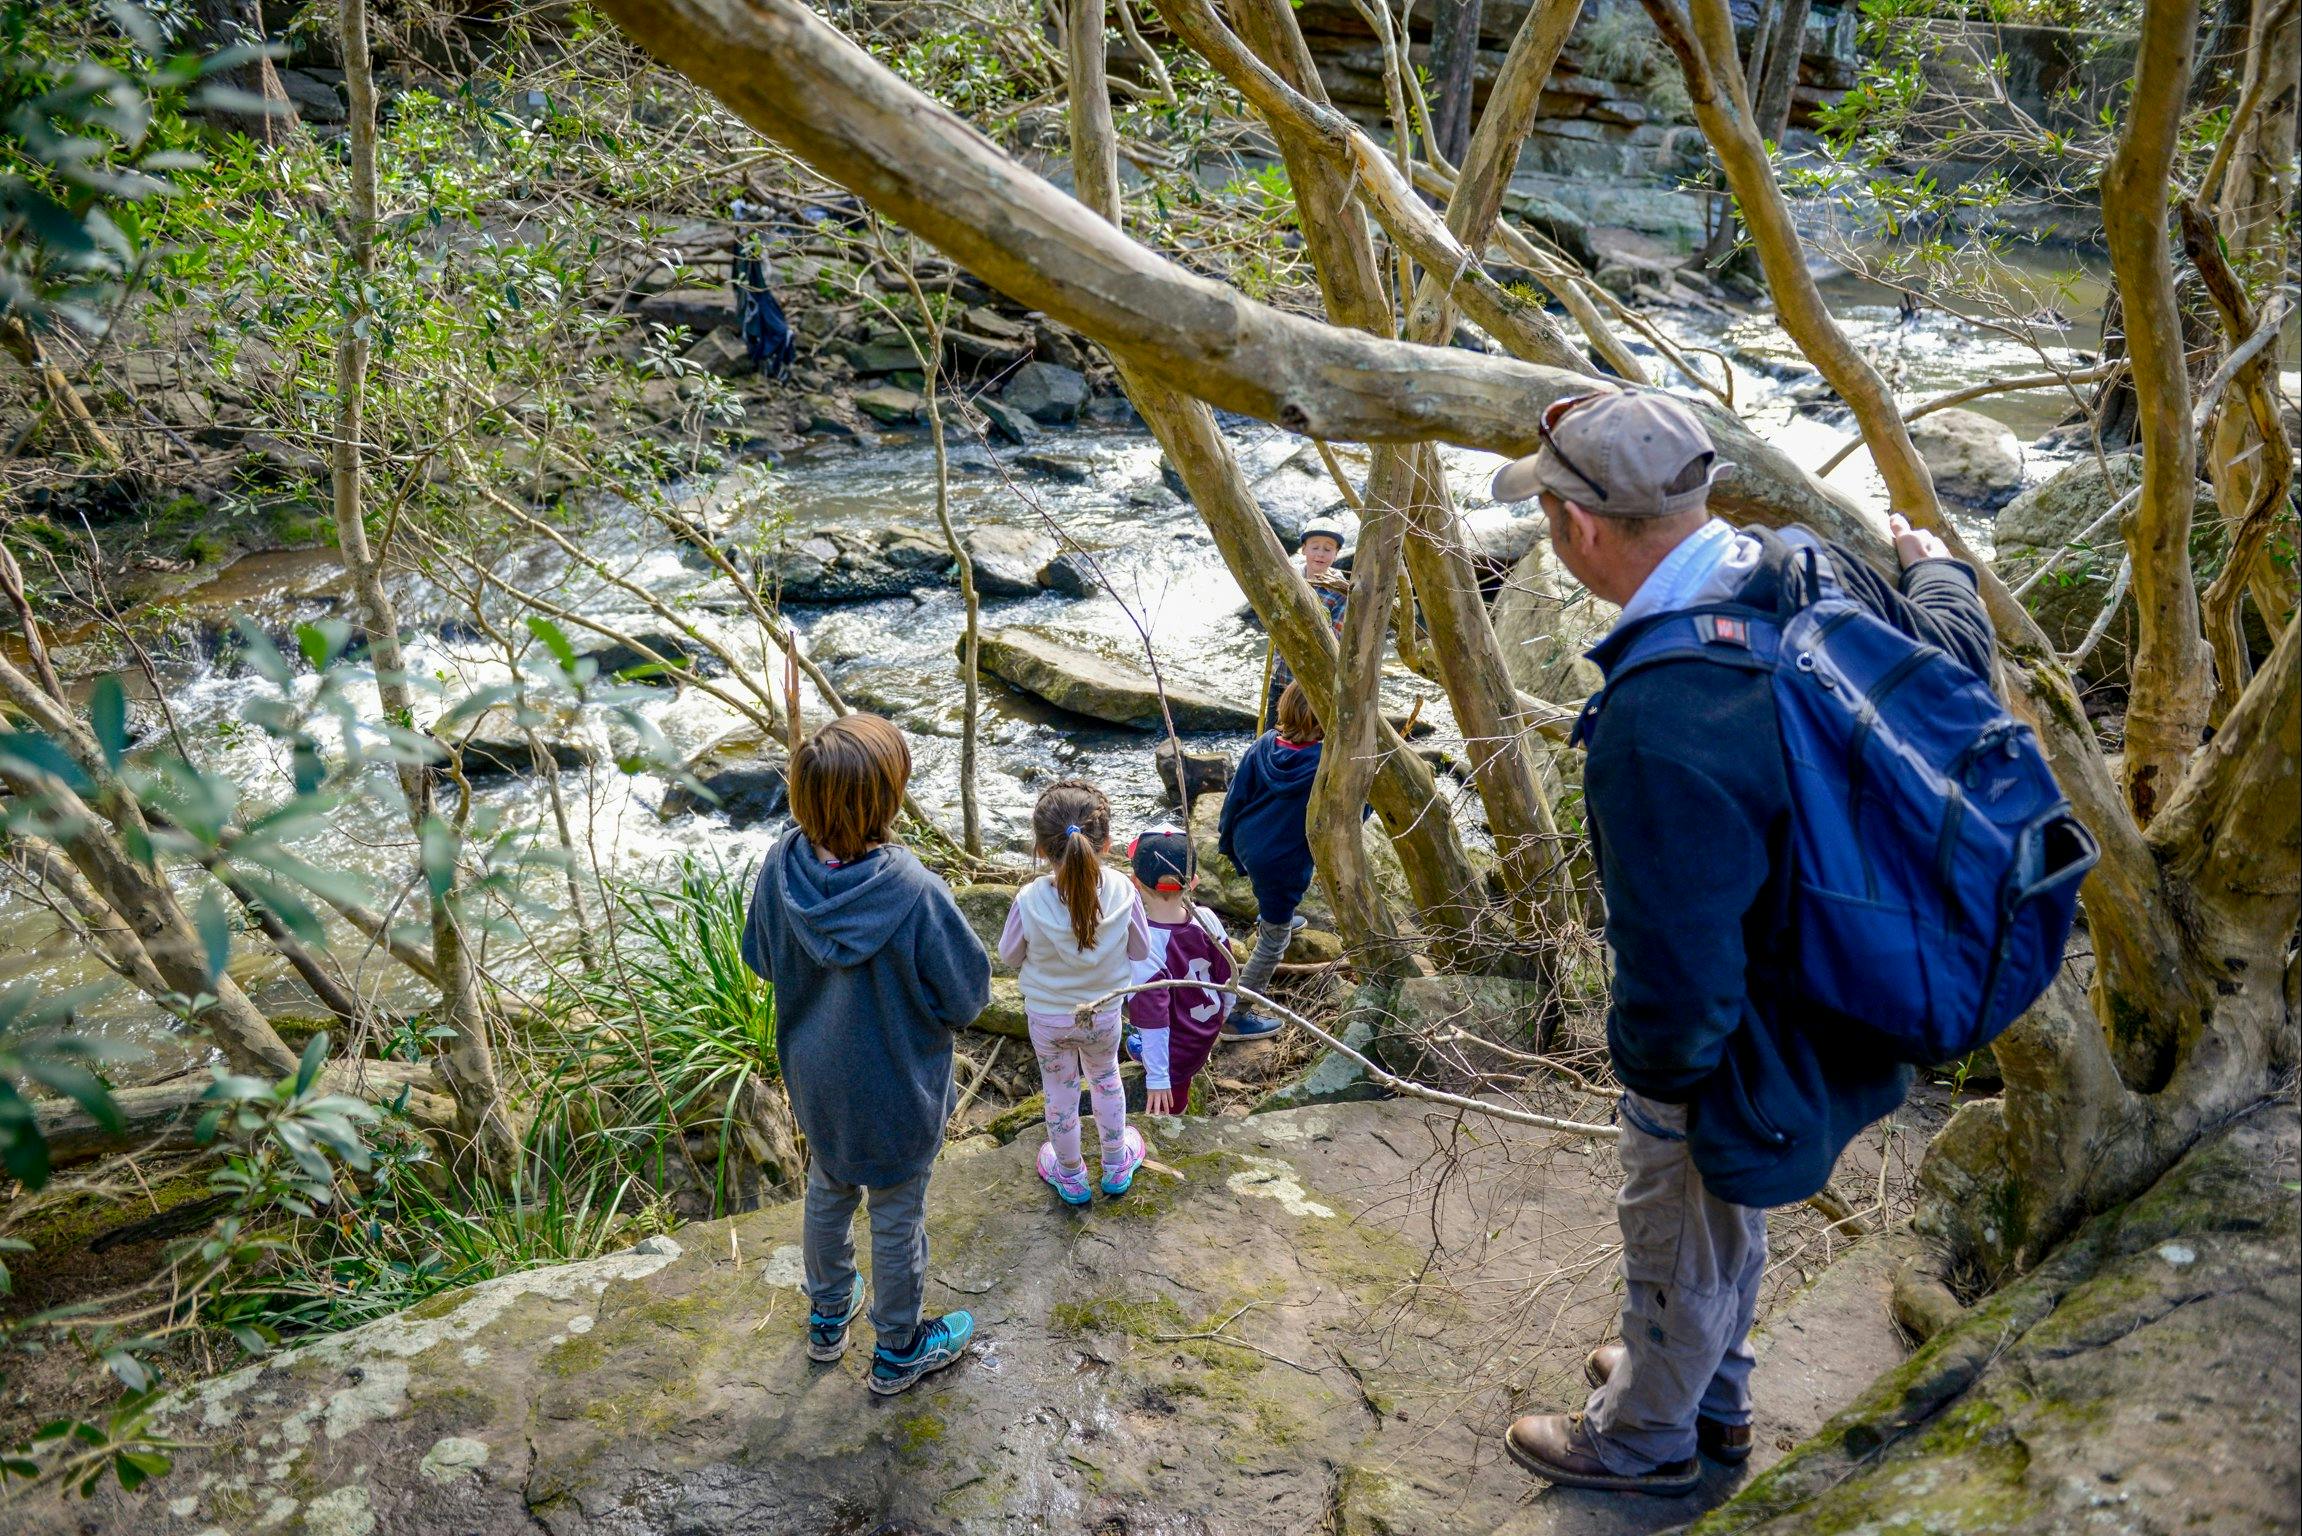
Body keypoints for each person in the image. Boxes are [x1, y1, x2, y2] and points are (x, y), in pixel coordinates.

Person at [1488, 389, 1994, 1496]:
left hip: (1744, 1030)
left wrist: (1654, 1083)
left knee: (1676, 1210)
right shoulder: (1806, 568)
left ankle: (1646, 1441)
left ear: (1576, 529)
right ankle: (1703, 1386)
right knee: (1721, 1219)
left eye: (1548, 515)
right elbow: (1958, 669)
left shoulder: (1658, 713)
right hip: (1849, 981)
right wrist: (1936, 569)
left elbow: (1675, 974)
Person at [738, 714, 990, 1396]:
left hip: (817, 1079)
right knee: (897, 1212)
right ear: (887, 799)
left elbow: (759, 957)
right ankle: (900, 1348)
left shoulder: (781, 867)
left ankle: (827, 1317)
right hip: (898, 1087)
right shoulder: (917, 894)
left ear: (803, 799)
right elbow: (967, 997)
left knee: (828, 1188)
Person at [1000, 779, 1151, 1205]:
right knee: (1106, 1079)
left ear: (1041, 848)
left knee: (1059, 1089)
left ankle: (1069, 1174)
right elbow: (1140, 949)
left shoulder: (1029, 900)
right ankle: (1117, 1162)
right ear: (1104, 844)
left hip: (1048, 1018)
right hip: (1102, 1014)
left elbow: (1010, 956)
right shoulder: (1125, 889)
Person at [1216, 681, 1326, 1040]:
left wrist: (1228, 844)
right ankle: (1237, 1013)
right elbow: (1350, 812)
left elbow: (1234, 799)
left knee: (1275, 900)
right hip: (1284, 860)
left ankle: (1274, 914)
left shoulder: (1263, 744)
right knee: (1273, 942)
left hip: (1250, 842)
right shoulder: (1323, 763)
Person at [1121, 824, 1236, 1114]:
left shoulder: (1146, 946)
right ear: (1193, 882)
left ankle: (1176, 1113)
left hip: (1176, 1050)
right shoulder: (1208, 919)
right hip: (1205, 1028)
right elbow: (1228, 976)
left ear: (1135, 882)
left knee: (1172, 1102)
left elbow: (1154, 1020)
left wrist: (1159, 1078)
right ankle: (1149, 1054)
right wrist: (1222, 1017)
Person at [1265, 516, 1352, 726]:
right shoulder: (1288, 577)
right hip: (1282, 676)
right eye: (1315, 547)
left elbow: (1335, 638)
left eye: (1328, 549)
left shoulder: (1340, 591)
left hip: (1315, 683)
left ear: (1336, 554)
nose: (1320, 554)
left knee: (1306, 740)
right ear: (1303, 549)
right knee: (1272, 736)